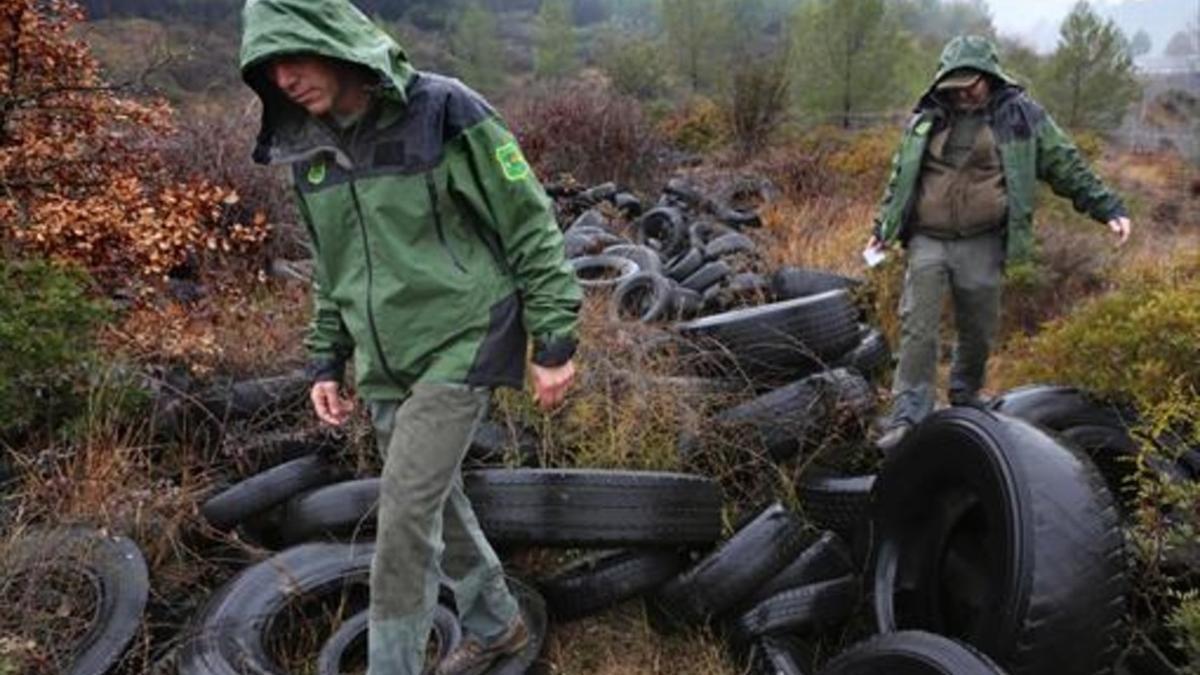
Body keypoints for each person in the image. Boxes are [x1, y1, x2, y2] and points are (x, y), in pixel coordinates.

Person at [239, 1, 582, 673]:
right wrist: (326, 358)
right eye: (267, 68)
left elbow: (527, 220)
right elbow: (331, 267)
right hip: (385, 357)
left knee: (402, 520)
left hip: (463, 337)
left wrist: (555, 335)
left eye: (293, 57)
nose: (283, 79)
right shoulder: (310, 152)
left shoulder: (443, 110)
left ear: (333, 42)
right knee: (436, 502)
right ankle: (499, 623)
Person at [867, 35, 1131, 451]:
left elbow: (1065, 163)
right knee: (918, 327)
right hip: (927, 239)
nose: (963, 93)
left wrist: (1108, 207)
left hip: (982, 241)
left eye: (970, 84)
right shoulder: (926, 117)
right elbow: (901, 177)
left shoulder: (1021, 117)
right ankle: (908, 416)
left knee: (977, 328)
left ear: (990, 77)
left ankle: (965, 395)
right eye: (954, 85)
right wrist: (884, 226)